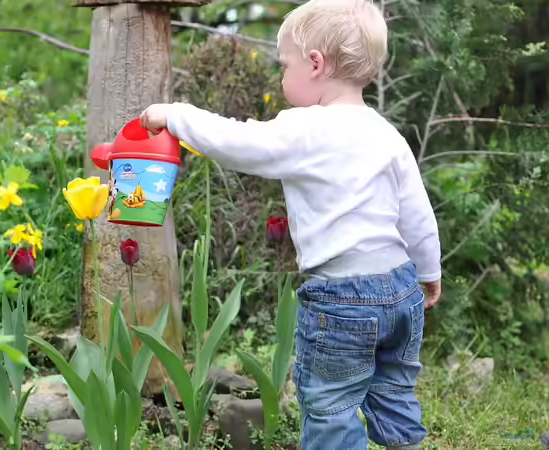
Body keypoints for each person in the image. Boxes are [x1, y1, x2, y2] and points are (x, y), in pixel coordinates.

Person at [139, 0, 441, 448]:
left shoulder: (305, 128)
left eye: (286, 66)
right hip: (400, 289)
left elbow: (239, 141)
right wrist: (429, 273)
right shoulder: (386, 133)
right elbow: (417, 213)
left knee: (332, 406)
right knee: (394, 389)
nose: (282, 77)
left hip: (342, 299)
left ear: (315, 64)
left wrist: (175, 116)